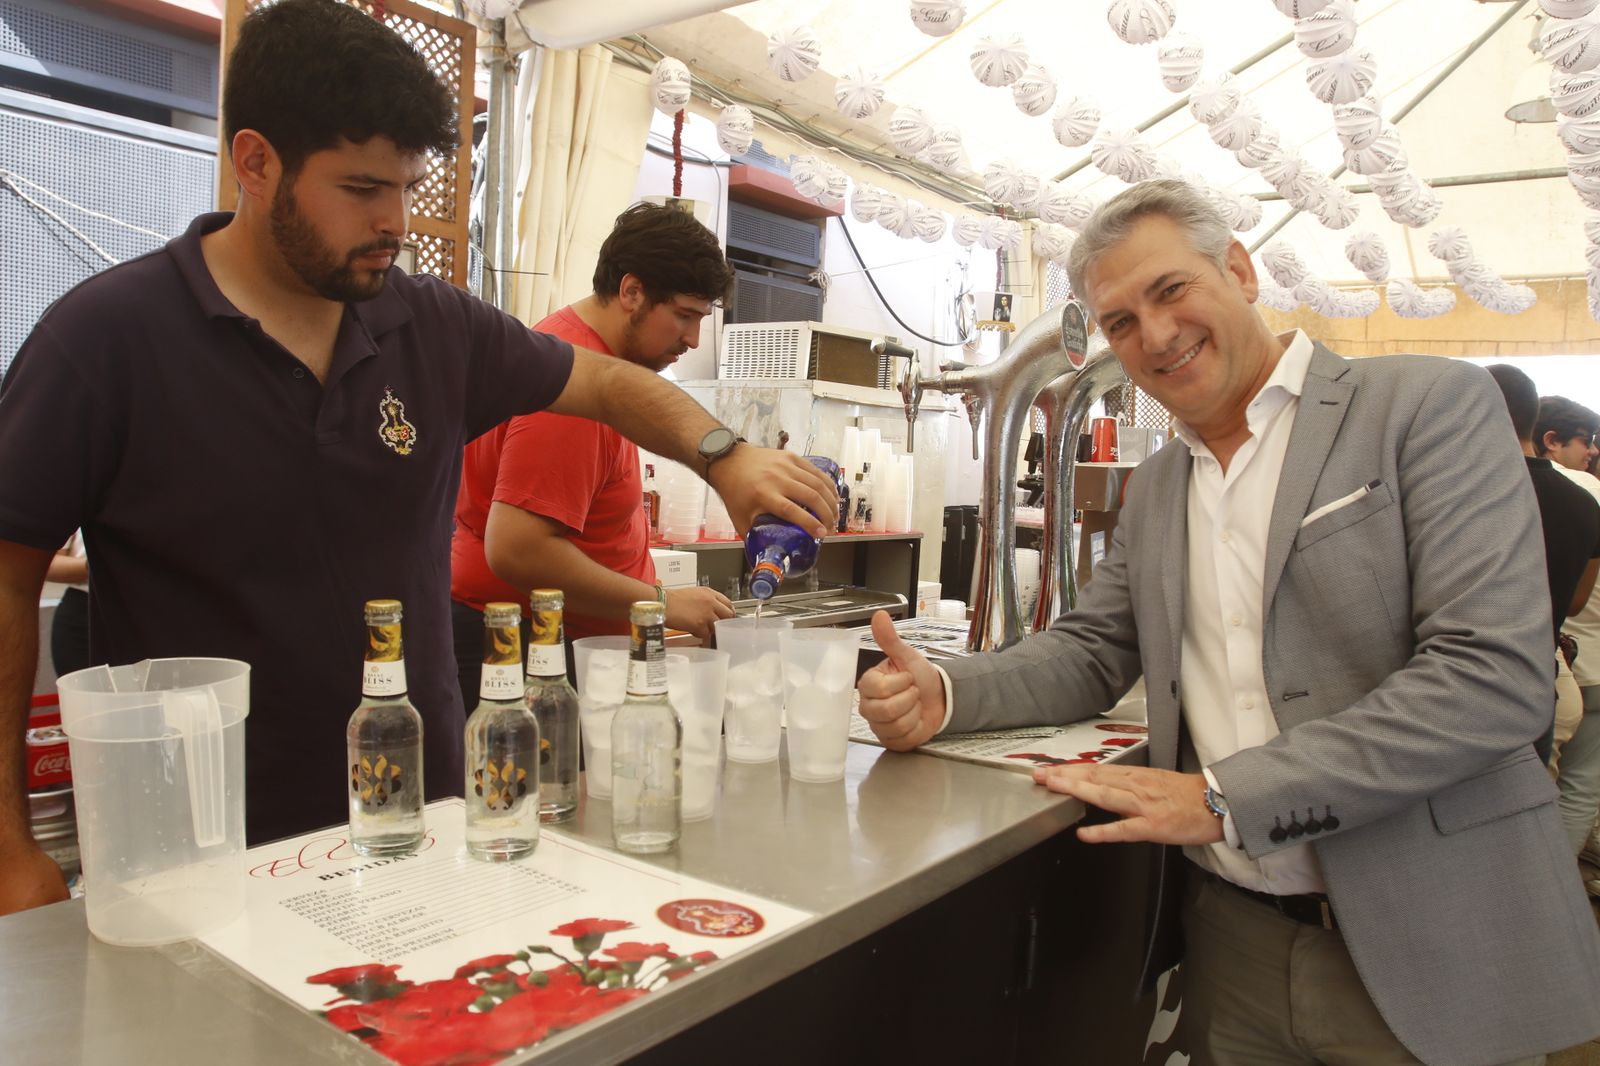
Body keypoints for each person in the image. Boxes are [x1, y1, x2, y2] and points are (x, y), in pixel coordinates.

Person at [0, 0, 837, 917]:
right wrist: (6, 842)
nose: (395, 220)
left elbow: (601, 384)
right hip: (200, 851)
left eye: (407, 185)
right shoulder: (109, 338)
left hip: (420, 827)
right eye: (362, 189)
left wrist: (722, 453)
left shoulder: (430, 326)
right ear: (255, 160)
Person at [858, 180, 1600, 1065]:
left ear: (1240, 271)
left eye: (1171, 291)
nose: (1156, 335)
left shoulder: (1423, 406)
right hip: (1232, 941)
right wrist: (940, 691)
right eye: (1122, 322)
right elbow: (1095, 650)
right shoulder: (1159, 486)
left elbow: (1490, 679)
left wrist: (1224, 797)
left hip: (1435, 933)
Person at [450, 203, 736, 711]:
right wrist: (661, 603)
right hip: (538, 655)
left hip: (561, 642)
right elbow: (517, 548)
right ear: (631, 292)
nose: (692, 340)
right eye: (685, 316)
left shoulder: (586, 362)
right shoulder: (571, 392)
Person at [1486, 367, 1600, 768]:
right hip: (1537, 679)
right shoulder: (1584, 503)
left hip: (1465, 688)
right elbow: (1574, 604)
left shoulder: (1464, 491)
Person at [1536, 394, 1600, 862]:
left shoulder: (1494, 484)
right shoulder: (1583, 493)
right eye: (1585, 442)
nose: (1591, 451)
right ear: (1551, 439)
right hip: (1584, 663)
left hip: (1547, 657)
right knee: (1579, 787)